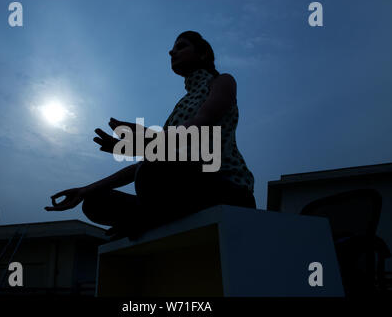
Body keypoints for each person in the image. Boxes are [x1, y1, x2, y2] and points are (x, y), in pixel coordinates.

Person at [45, 31, 256, 240]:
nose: (171, 52)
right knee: (95, 201)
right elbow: (152, 160)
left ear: (202, 55)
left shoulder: (221, 81)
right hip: (178, 191)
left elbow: (202, 124)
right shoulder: (180, 106)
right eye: (173, 48)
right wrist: (85, 189)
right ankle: (150, 218)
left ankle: (145, 219)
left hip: (223, 187)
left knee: (153, 169)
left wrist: (144, 139)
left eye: (181, 46)